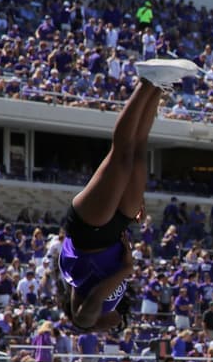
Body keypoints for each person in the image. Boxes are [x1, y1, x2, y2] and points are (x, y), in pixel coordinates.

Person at [57, 59, 200, 331]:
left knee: (121, 156)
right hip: (115, 229)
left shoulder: (84, 317)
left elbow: (94, 300)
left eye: (108, 330)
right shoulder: (114, 305)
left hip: (89, 232)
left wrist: (126, 270)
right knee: (137, 154)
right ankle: (158, 85)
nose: (112, 329)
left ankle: (145, 80)